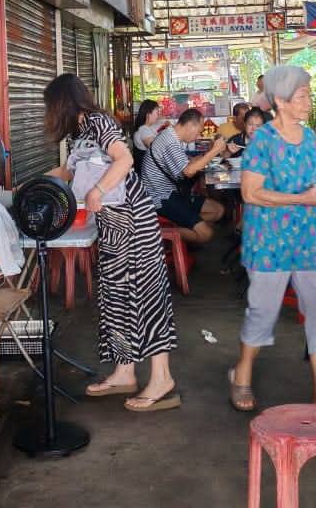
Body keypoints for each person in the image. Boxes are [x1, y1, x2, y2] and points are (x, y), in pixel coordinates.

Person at [43, 74, 180, 412]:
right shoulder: (80, 134)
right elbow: (68, 172)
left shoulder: (98, 122)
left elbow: (125, 159)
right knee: (115, 295)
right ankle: (124, 372)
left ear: (62, 102)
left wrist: (98, 190)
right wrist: (29, 185)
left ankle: (162, 378)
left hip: (133, 220)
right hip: (111, 225)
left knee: (145, 294)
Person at [228, 65, 316, 413]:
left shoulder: (308, 138)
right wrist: (303, 198)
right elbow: (250, 193)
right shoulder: (262, 141)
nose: (308, 102)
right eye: (303, 96)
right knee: (263, 311)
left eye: (308, 94)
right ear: (280, 100)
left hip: (307, 238)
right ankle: (242, 373)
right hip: (268, 240)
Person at [139, 108, 226, 243]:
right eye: (198, 132)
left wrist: (208, 152)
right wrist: (214, 151)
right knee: (206, 234)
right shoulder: (170, 141)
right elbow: (188, 171)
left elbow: (189, 163)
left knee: (218, 211)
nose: (198, 136)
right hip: (161, 198)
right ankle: (154, 232)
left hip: (174, 193)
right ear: (190, 125)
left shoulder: (171, 136)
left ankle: (183, 222)